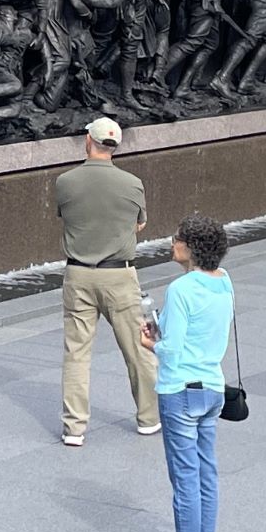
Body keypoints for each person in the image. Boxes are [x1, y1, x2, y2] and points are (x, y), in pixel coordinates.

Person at [52, 118, 156, 447]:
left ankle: (74, 428)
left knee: (77, 353)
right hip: (120, 275)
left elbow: (67, 217)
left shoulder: (65, 182)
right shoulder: (133, 183)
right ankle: (149, 418)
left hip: (78, 274)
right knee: (138, 348)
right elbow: (139, 224)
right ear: (115, 146)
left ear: (88, 141)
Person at [142, 214, 234, 532]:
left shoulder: (181, 289)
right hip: (212, 388)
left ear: (191, 247)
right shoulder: (224, 280)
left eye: (176, 238)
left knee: (185, 478)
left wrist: (151, 343)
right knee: (206, 474)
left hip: (180, 390)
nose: (171, 243)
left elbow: (173, 349)